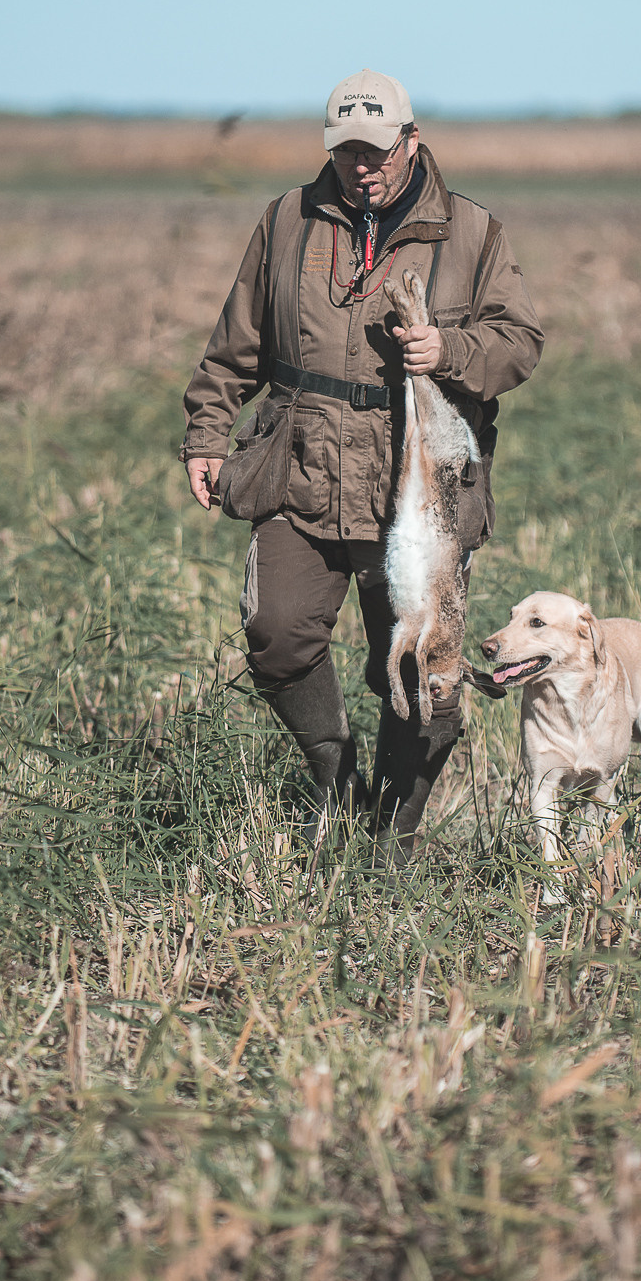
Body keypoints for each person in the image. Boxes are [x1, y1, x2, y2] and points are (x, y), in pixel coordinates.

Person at [182, 69, 544, 856]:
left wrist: (450, 349)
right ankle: (336, 786)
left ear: (412, 141)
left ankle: (392, 838)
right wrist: (208, 434)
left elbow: (519, 346)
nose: (361, 166)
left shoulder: (472, 233)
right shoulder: (285, 221)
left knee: (425, 684)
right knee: (275, 633)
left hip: (416, 485)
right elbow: (234, 348)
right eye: (346, 150)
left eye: (377, 150)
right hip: (298, 463)